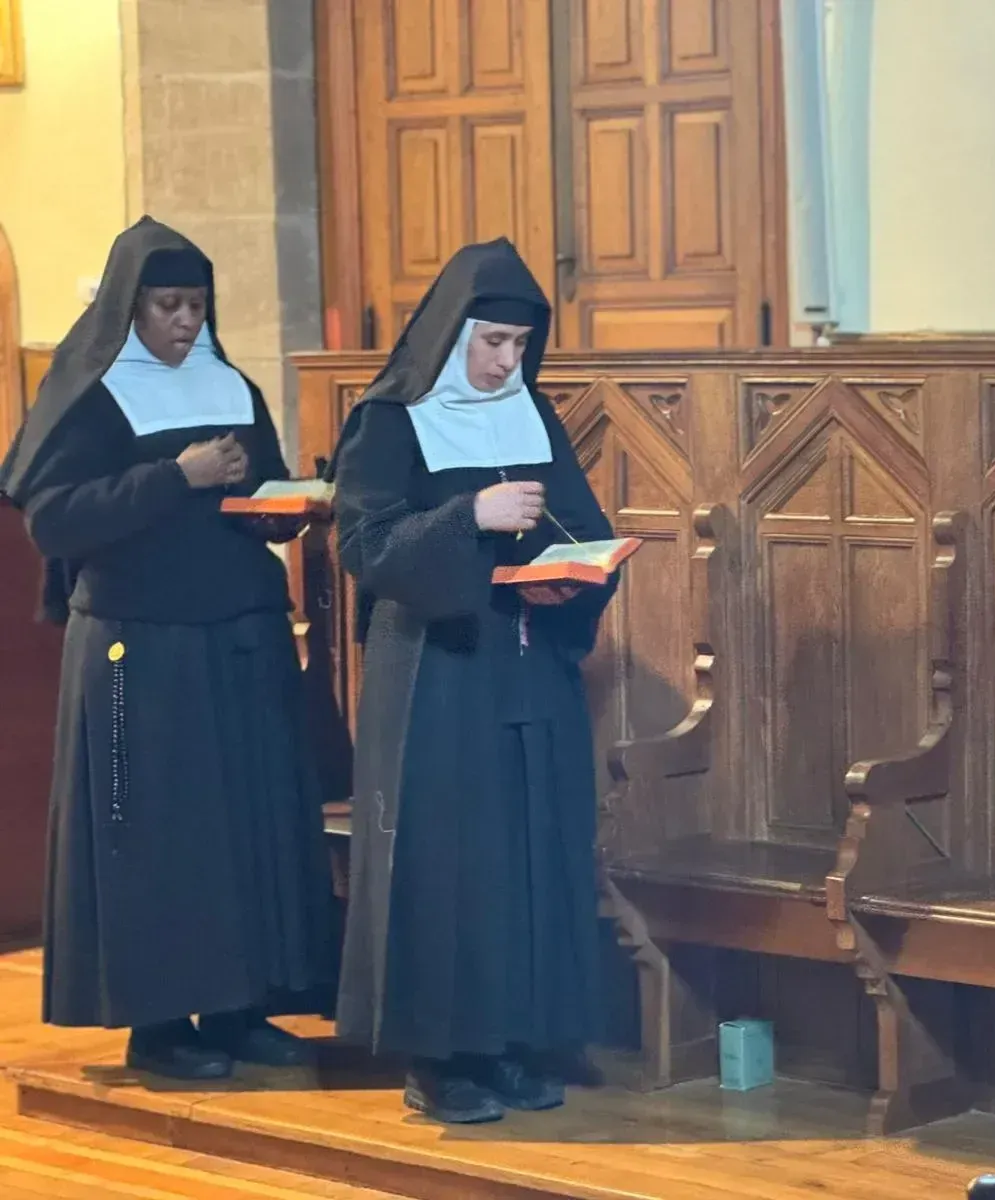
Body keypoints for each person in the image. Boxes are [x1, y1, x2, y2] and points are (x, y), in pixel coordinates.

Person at [0, 217, 336, 1080]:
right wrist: (172, 477)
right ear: (131, 308)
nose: (187, 321)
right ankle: (157, 1026)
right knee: (152, 835)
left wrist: (287, 507)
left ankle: (238, 1009)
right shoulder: (96, 393)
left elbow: (257, 485)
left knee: (241, 827)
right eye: (169, 304)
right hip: (136, 648)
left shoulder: (229, 384)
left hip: (238, 636)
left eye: (198, 304)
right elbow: (56, 518)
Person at [330, 238, 616, 1125]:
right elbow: (364, 548)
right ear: (452, 334)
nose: (506, 362)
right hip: (437, 678)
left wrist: (580, 572)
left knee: (526, 857)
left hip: (529, 672)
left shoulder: (535, 419)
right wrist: (468, 518)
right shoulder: (391, 420)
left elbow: (581, 525)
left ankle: (513, 1042)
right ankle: (440, 1060)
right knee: (448, 864)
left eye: (520, 348)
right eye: (492, 342)